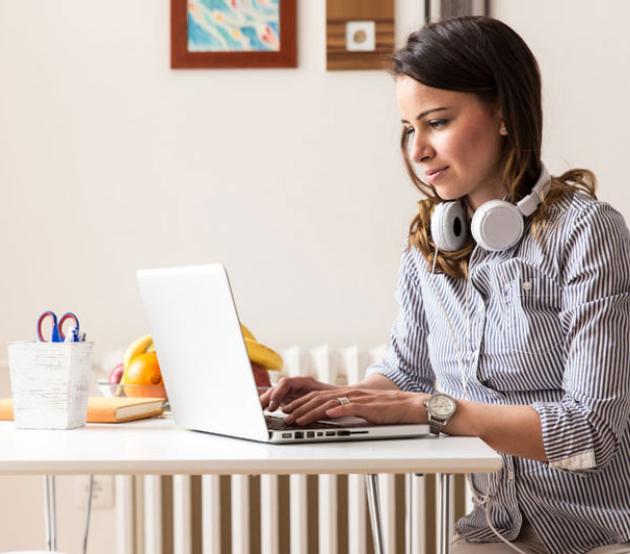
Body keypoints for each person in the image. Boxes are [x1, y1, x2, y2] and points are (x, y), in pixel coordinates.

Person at [259, 16, 630, 554]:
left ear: (503, 112)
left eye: (436, 122)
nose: (418, 150)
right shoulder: (429, 243)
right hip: (497, 530)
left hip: (605, 534)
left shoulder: (588, 232)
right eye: (410, 128)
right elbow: (406, 372)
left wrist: (431, 410)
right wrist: (344, 398)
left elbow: (592, 430)